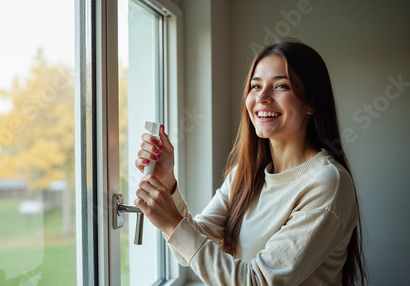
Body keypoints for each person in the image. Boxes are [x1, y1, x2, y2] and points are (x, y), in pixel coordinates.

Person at [134, 40, 366, 285]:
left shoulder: (327, 184)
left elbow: (257, 281)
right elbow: (187, 249)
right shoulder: (243, 175)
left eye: (280, 86)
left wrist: (173, 223)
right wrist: (168, 182)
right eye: (256, 86)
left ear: (310, 102)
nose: (262, 97)